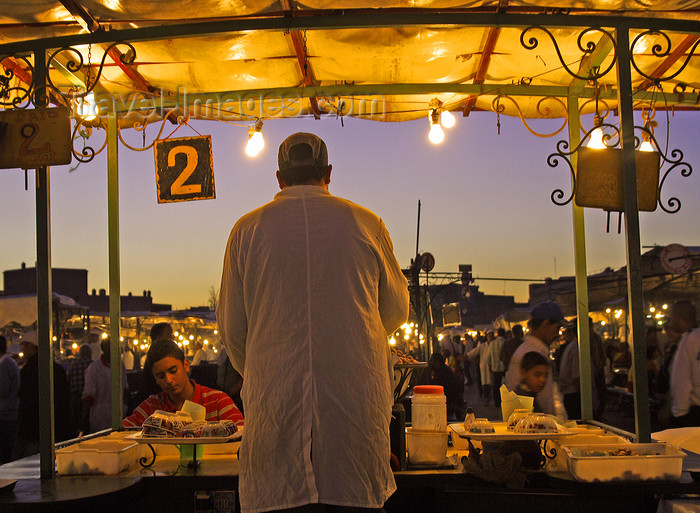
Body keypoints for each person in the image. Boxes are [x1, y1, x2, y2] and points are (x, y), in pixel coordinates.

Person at [216, 132, 409, 513]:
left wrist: (265, 368)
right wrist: (355, 336)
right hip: (354, 425)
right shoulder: (367, 223)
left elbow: (233, 330)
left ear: (279, 177)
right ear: (329, 173)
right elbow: (397, 311)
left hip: (276, 420)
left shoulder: (246, 230)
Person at [123, 339, 244, 428]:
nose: (169, 380)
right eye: (161, 376)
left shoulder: (218, 402)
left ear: (186, 365)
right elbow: (121, 433)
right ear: (155, 378)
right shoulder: (151, 408)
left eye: (173, 371)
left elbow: (242, 434)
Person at [505, 301, 569, 416]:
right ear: (545, 324)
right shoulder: (532, 353)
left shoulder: (531, 349)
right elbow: (544, 399)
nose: (558, 334)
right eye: (557, 329)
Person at [15, 331, 71, 459]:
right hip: (58, 430)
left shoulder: (28, 371)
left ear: (33, 347)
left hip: (34, 431)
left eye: (24, 345)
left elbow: (25, 402)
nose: (22, 349)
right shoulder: (57, 370)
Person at [82, 338, 129, 433]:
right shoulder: (94, 368)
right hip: (100, 418)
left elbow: (125, 390)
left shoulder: (121, 365)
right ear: (104, 349)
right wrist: (83, 419)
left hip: (119, 416)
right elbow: (89, 396)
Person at [668, 300, 700, 427]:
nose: (671, 323)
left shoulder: (689, 340)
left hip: (693, 413)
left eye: (671, 318)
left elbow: (681, 381)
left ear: (678, 318)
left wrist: (679, 414)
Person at [0, 335, 20, 463]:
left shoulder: (4, 365)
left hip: (5, 413)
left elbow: (3, 390)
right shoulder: (10, 363)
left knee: (5, 450)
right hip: (10, 412)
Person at [67, 344, 93, 436]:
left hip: (76, 398)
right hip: (89, 400)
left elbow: (68, 382)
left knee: (77, 423)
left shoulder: (72, 365)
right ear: (89, 353)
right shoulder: (92, 365)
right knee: (88, 425)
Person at [557, 325, 581, 419]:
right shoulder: (576, 348)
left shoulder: (571, 346)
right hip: (574, 393)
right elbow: (577, 376)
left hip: (570, 393)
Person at [487, 328, 506, 406]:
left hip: (495, 368)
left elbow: (488, 356)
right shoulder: (505, 342)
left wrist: (489, 365)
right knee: (506, 385)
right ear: (504, 334)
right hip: (504, 367)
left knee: (496, 385)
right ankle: (506, 400)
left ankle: (497, 402)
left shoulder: (492, 343)